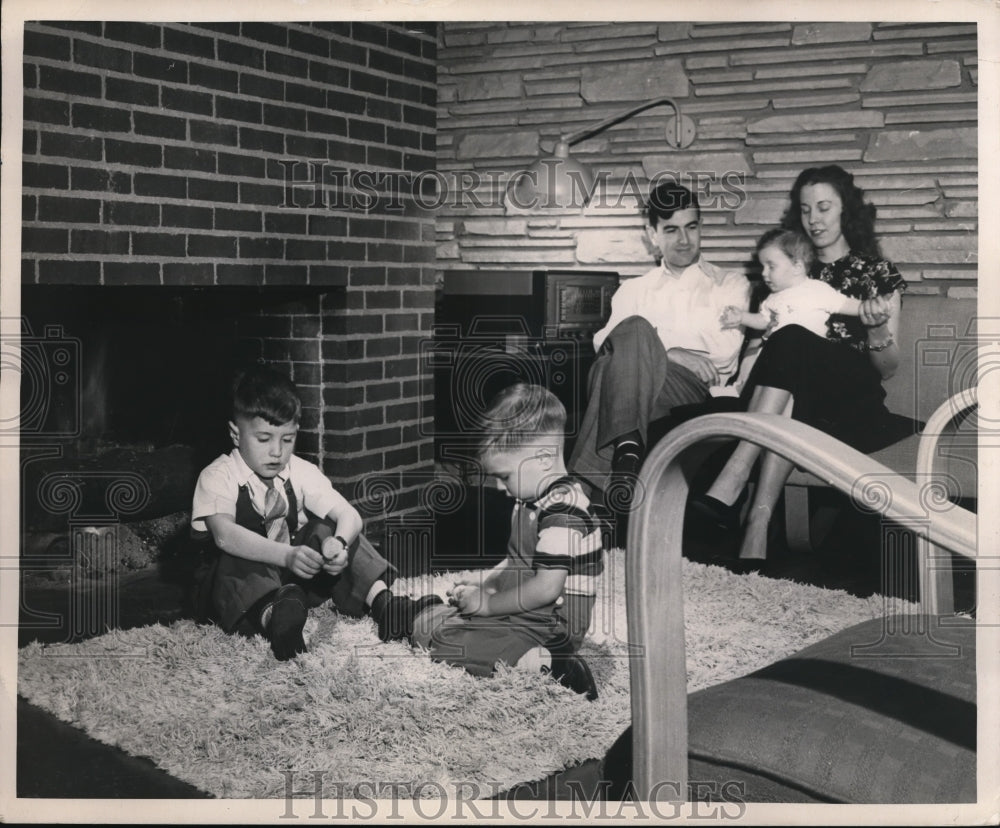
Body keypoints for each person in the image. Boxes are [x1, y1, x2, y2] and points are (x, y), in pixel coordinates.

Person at [691, 165, 910, 566]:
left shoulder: (876, 274)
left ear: (847, 211)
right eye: (806, 209)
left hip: (847, 396)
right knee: (788, 363)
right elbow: (760, 345)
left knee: (792, 340)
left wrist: (876, 329)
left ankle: (736, 472)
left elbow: (887, 369)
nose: (814, 219)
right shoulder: (782, 270)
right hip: (789, 392)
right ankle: (758, 524)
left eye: (824, 207)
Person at [190, 364, 440, 660]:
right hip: (232, 591)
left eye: (287, 439)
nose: (276, 452)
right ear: (235, 434)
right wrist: (285, 556)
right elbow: (224, 536)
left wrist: (340, 545)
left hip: (292, 580)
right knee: (237, 549)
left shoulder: (300, 470)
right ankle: (277, 620)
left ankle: (385, 604)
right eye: (264, 438)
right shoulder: (218, 475)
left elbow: (350, 515)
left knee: (327, 527)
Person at [409, 383, 605, 700]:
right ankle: (441, 620)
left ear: (542, 458)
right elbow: (519, 561)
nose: (501, 488)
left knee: (451, 645)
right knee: (452, 624)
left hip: (553, 626)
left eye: (504, 476)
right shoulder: (530, 499)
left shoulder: (564, 510)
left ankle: (552, 663)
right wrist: (485, 579)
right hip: (531, 612)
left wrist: (488, 604)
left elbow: (546, 588)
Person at [567, 180, 751, 508]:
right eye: (671, 230)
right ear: (652, 235)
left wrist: (659, 349)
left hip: (694, 389)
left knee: (623, 352)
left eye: (691, 227)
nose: (683, 240)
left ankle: (586, 488)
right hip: (643, 388)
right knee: (627, 338)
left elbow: (723, 353)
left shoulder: (729, 284)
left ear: (700, 228)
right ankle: (626, 454)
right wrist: (669, 351)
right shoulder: (633, 290)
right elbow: (603, 344)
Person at [711, 227, 864, 397]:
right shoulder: (773, 298)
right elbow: (764, 320)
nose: (764, 273)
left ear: (797, 267)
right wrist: (742, 317)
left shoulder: (818, 291)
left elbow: (848, 305)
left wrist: (871, 307)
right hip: (776, 358)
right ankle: (744, 390)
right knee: (756, 360)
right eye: (763, 267)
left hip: (807, 358)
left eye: (771, 267)